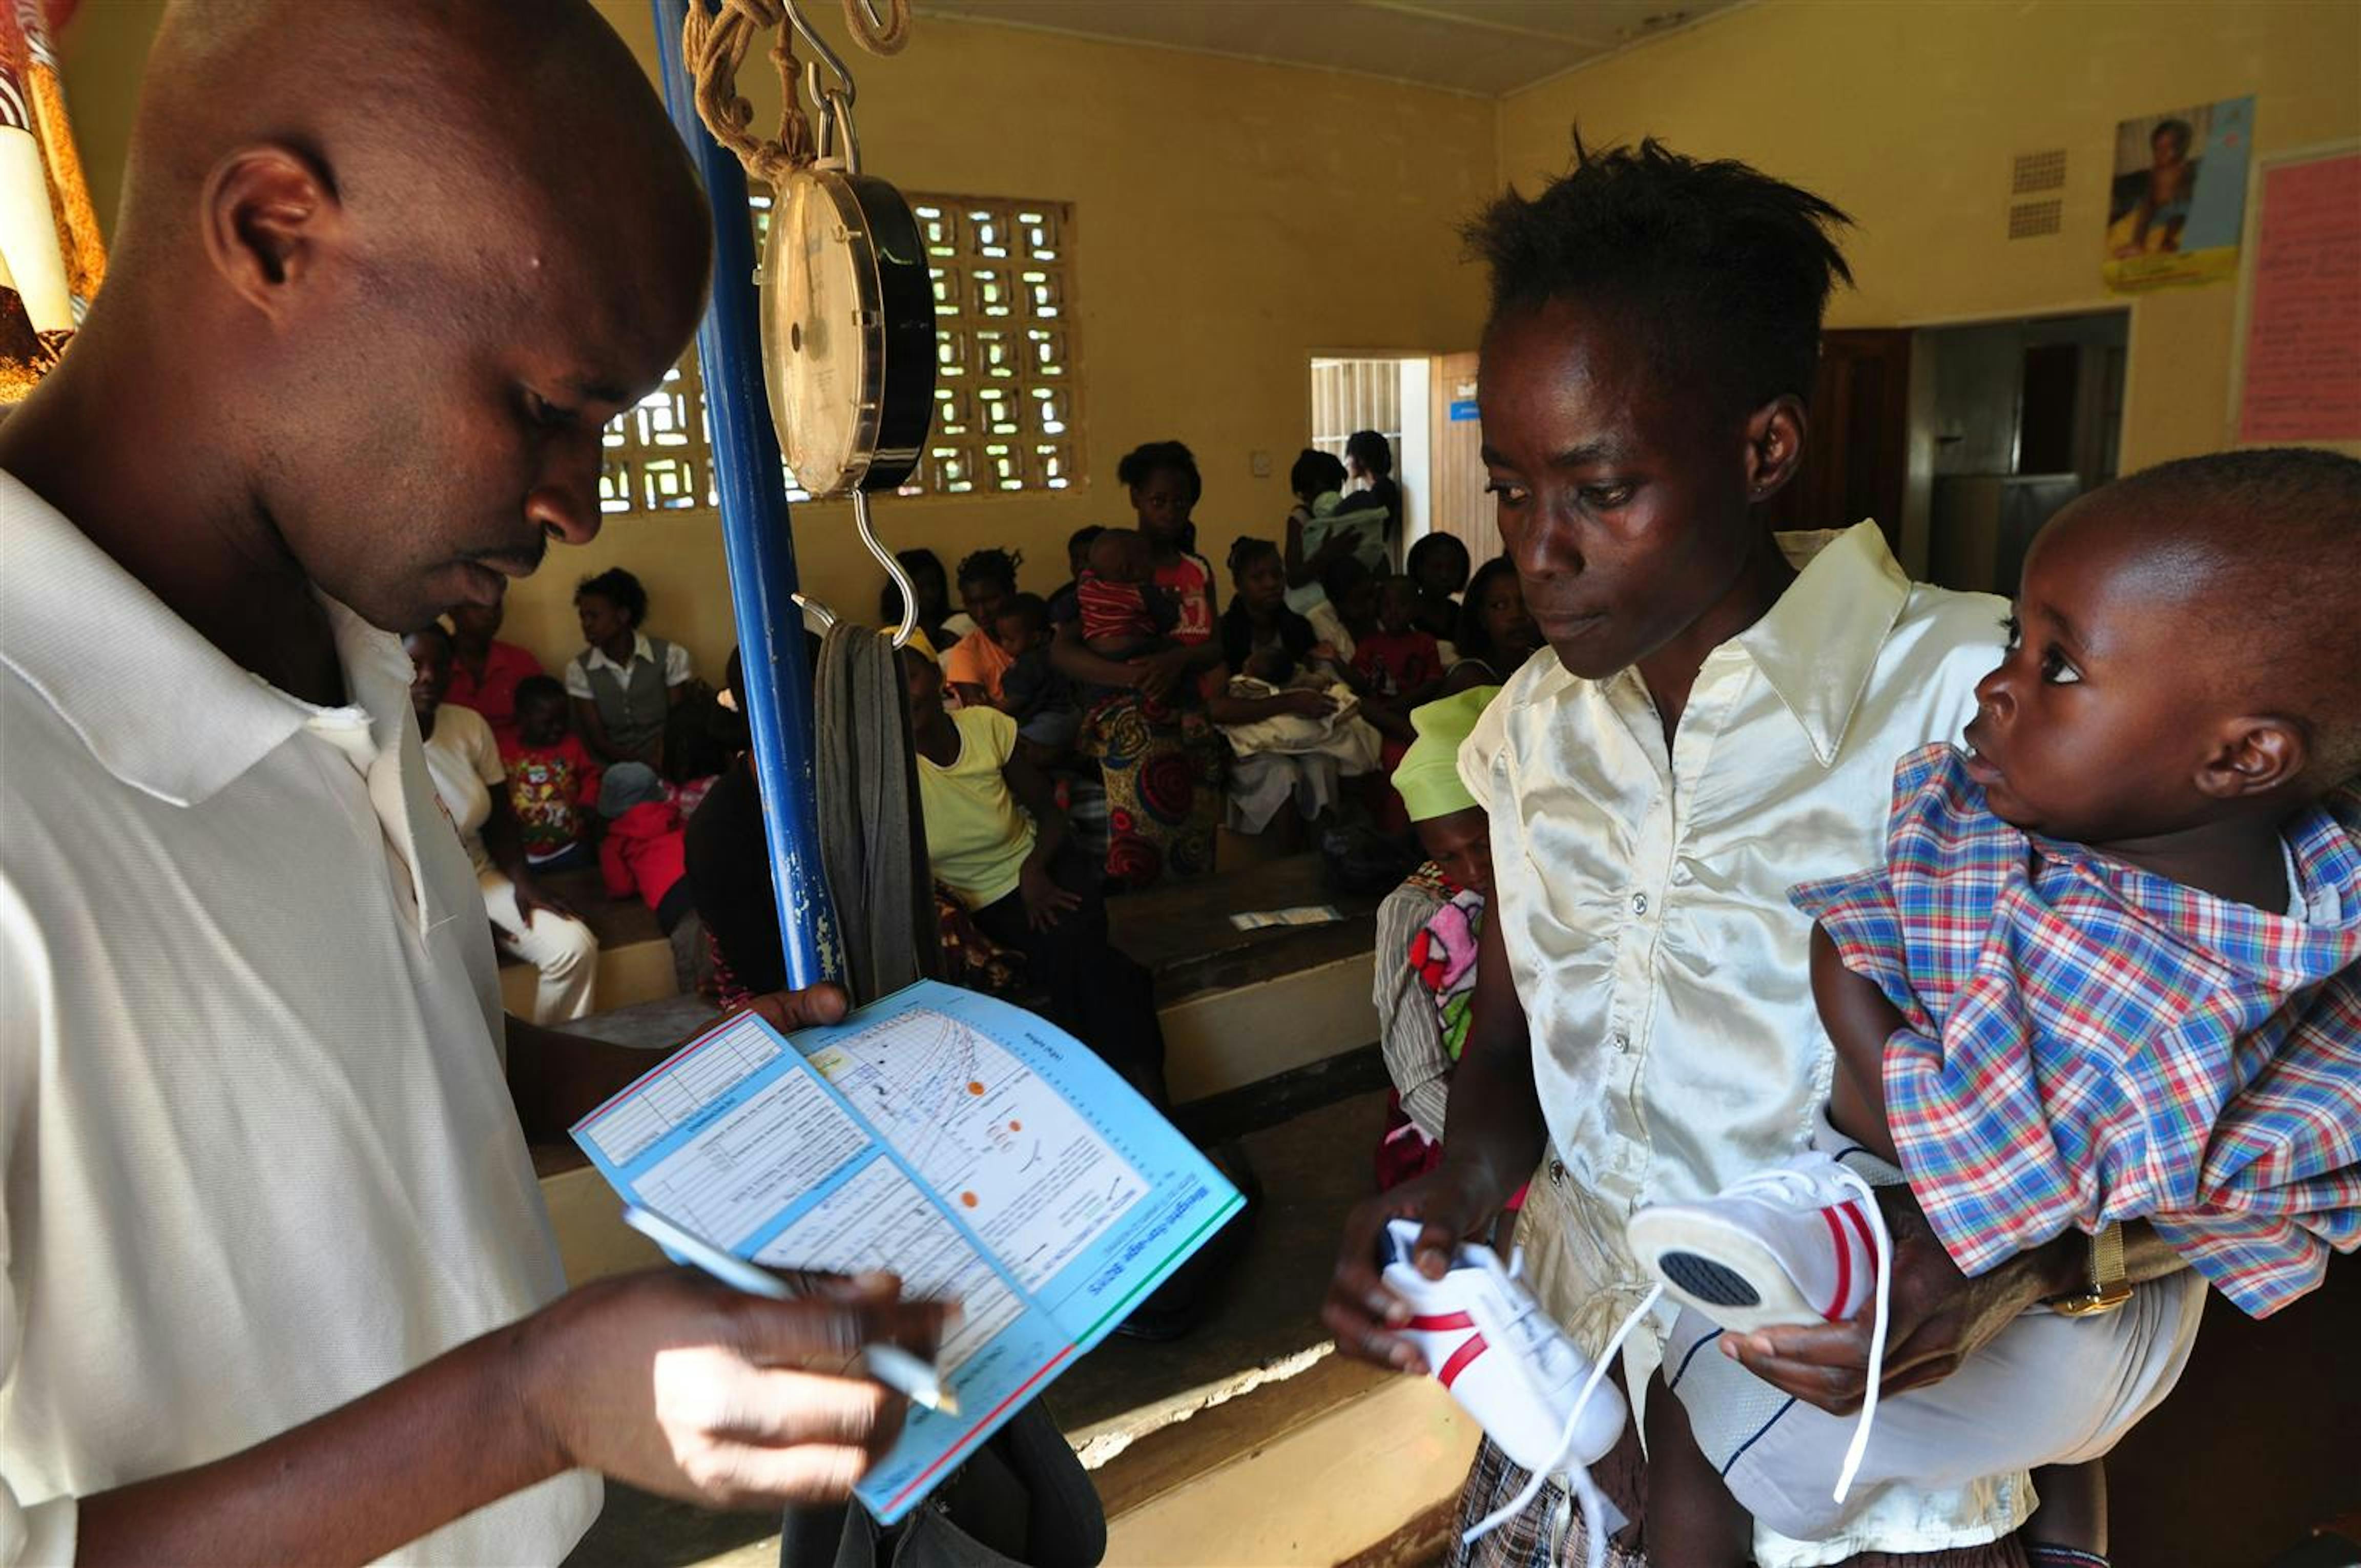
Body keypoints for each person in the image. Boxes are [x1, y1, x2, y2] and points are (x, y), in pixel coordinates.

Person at [0, 4, 946, 1562]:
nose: (575, 507)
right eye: (542, 406)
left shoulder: (350, 654)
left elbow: (377, 1059)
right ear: (269, 231)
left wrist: (670, 1082)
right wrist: (527, 1409)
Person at [1319, 137, 2188, 1568]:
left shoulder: (1987, 706)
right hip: (1590, 1392)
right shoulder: (1534, 731)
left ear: (1764, 447)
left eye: (1600, 489)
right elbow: (1527, 1026)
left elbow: (2194, 1095)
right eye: (1511, 488)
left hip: (1869, 1450)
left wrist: (1989, 1262)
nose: (1541, 550)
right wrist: (1465, 1176)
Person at [1632, 450, 2361, 1563]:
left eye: (2059, 665)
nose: (1998, 684)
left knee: (1687, 1409)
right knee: (2045, 1454)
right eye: (2017, 638)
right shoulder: (2247, 871)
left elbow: (1974, 1173)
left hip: (1983, 1282)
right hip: (2099, 1305)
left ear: (2246, 755)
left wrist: (1849, 977)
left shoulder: (2132, 977)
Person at [900, 642, 1169, 1105]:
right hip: (985, 906)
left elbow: (1051, 813)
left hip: (1044, 868)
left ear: (936, 675)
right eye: (889, 687)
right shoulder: (891, 773)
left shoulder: (985, 727)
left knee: (1080, 958)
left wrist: (1034, 871)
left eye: (911, 677)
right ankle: (1149, 1106)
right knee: (1103, 973)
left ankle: (1123, 1107)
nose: (905, 695)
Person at [1049, 440, 1229, 888]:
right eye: (1159, 501)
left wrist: (1177, 660)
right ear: (1135, 498)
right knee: (1142, 848)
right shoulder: (1110, 565)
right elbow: (1063, 651)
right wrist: (1134, 677)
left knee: (1195, 842)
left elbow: (1217, 645)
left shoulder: (1197, 568)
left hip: (1192, 720)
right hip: (1134, 725)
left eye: (1181, 501)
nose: (1171, 511)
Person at [410, 627, 601, 1023]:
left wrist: (524, 883)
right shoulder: (372, 740)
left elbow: (500, 819)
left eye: (439, 665)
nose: (428, 676)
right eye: (415, 664)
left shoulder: (468, 726)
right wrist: (469, 927)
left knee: (573, 947)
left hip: (479, 873)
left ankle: (556, 1051)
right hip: (415, 897)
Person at [1372, 687, 1504, 1193]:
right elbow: (1420, 1077)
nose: (1472, 871)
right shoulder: (1413, 913)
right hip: (1457, 1133)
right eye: (1447, 856)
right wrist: (1499, 1155)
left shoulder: (1545, 880)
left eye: (1484, 843)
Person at [1213, 537, 1381, 835]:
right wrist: (1290, 703)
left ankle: (1324, 855)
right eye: (1258, 577)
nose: (1271, 584)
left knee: (1321, 767)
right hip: (1250, 736)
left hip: (1302, 735)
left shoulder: (1298, 628)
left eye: (1277, 575)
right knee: (1282, 774)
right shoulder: (1225, 633)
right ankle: (1283, 868)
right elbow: (1221, 706)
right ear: (1238, 584)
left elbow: (1312, 683)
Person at [565, 566, 692, 772]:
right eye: (583, 617)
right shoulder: (579, 670)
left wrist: (660, 761)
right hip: (614, 769)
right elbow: (598, 740)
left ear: (623, 616)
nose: (586, 624)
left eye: (594, 616)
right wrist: (641, 767)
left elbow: (677, 723)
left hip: (668, 762)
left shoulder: (671, 656)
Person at [597, 760, 705, 998]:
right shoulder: (676, 817)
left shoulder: (618, 838)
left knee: (696, 982)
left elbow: (621, 887)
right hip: (709, 879)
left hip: (677, 903)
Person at [503, 673, 604, 873]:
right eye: (548, 723)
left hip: (571, 848)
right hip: (525, 854)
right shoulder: (505, 751)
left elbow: (590, 776)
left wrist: (587, 801)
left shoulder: (571, 745)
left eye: (563, 720)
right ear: (523, 718)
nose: (558, 728)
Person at [1285, 447, 1384, 613]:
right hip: (1313, 603)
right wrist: (1327, 553)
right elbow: (1294, 577)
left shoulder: (1348, 514)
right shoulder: (1300, 518)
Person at [445, 596, 546, 749]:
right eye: (479, 606)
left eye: (496, 606)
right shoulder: (433, 666)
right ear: (452, 610)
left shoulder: (522, 663)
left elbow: (545, 724)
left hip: (516, 763)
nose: (491, 613)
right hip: (453, 760)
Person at [1440, 555, 1543, 695]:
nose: (1517, 615)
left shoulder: (1543, 661)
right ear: (1481, 617)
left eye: (1526, 601)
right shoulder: (1470, 677)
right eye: (1499, 606)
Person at [995, 592, 1080, 755]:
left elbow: (1016, 700)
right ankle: (1064, 778)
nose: (1004, 645)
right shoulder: (1054, 653)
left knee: (1012, 748)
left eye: (1010, 640)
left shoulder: (1029, 663)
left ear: (1035, 638)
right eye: (1001, 638)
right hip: (1072, 716)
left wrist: (988, 712)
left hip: (1050, 721)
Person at [942, 546, 1022, 709]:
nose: (981, 612)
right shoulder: (966, 653)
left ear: (1011, 592)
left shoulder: (1039, 633)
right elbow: (980, 717)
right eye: (972, 603)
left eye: (990, 600)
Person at [1351, 574, 1446, 705]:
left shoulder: (1425, 642)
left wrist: (1404, 702)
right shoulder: (1369, 644)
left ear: (1416, 608)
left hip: (1414, 708)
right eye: (1386, 605)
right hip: (1378, 710)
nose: (1393, 612)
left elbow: (1434, 681)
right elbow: (1359, 680)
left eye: (1402, 604)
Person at [879, 546, 971, 648]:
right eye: (920, 587)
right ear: (902, 590)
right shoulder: (895, 637)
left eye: (934, 585)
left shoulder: (959, 625)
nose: (929, 594)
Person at [1334, 428, 1404, 544]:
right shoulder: (1384, 487)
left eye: (1349, 456)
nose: (1347, 462)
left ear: (1361, 458)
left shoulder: (1382, 490)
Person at [1405, 532, 1474, 644]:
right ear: (1419, 569)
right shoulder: (1405, 617)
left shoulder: (1463, 618)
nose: (1445, 575)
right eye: (1436, 567)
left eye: (1453, 568)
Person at [1046, 523, 1102, 628]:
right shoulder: (1061, 598)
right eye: (1075, 560)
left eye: (1088, 558)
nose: (1080, 566)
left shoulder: (1121, 590)